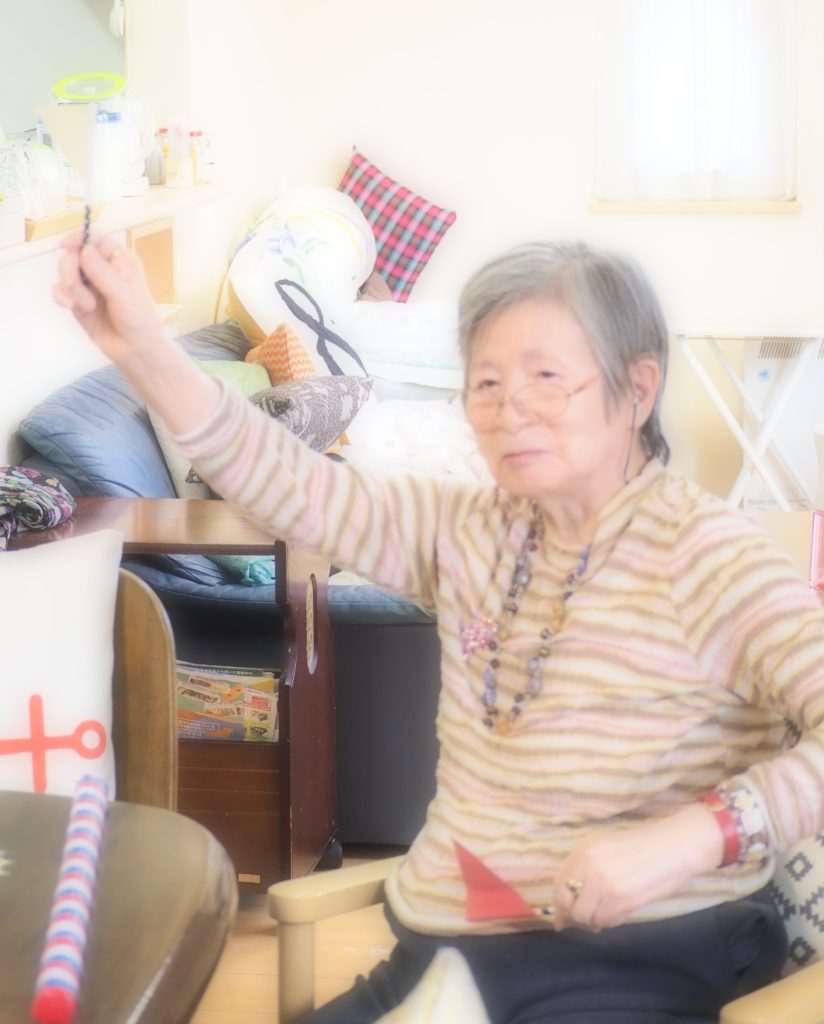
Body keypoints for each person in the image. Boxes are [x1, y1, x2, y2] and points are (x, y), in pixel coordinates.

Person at [55, 233, 824, 1023]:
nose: (508, 412)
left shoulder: (712, 555)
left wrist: (690, 839)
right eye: (486, 382)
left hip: (634, 962)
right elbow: (291, 484)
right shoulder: (466, 529)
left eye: (546, 379)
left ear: (637, 389)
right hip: (447, 956)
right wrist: (142, 345)